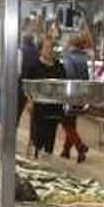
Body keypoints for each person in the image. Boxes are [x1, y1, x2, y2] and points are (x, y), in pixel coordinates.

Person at [26, 36, 67, 159]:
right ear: (41, 50)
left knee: (50, 142)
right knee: (37, 140)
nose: (50, 50)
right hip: (39, 110)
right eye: (47, 47)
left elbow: (63, 85)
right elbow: (27, 86)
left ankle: (46, 165)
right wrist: (29, 101)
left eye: (52, 48)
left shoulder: (59, 67)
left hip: (53, 110)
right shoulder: (34, 67)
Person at [60, 34, 90, 162]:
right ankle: (66, 150)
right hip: (81, 94)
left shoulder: (68, 57)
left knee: (65, 122)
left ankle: (80, 145)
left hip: (70, 94)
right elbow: (87, 77)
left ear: (70, 44)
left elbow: (69, 76)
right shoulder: (84, 58)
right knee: (71, 122)